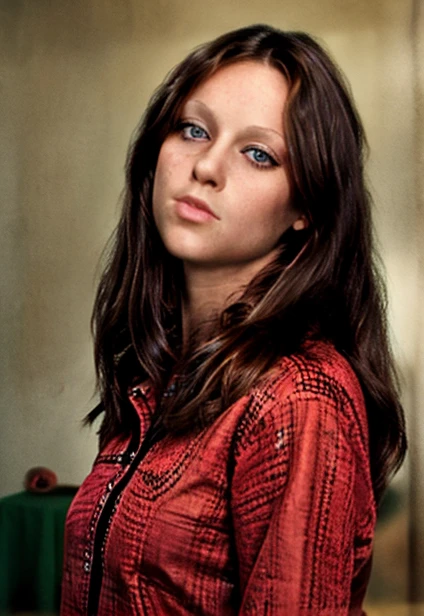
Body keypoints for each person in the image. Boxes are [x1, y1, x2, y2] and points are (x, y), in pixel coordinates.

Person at [61, 24, 407, 616]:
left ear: (306, 208)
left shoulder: (298, 401)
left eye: (258, 154)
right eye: (194, 129)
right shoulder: (155, 372)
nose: (206, 167)